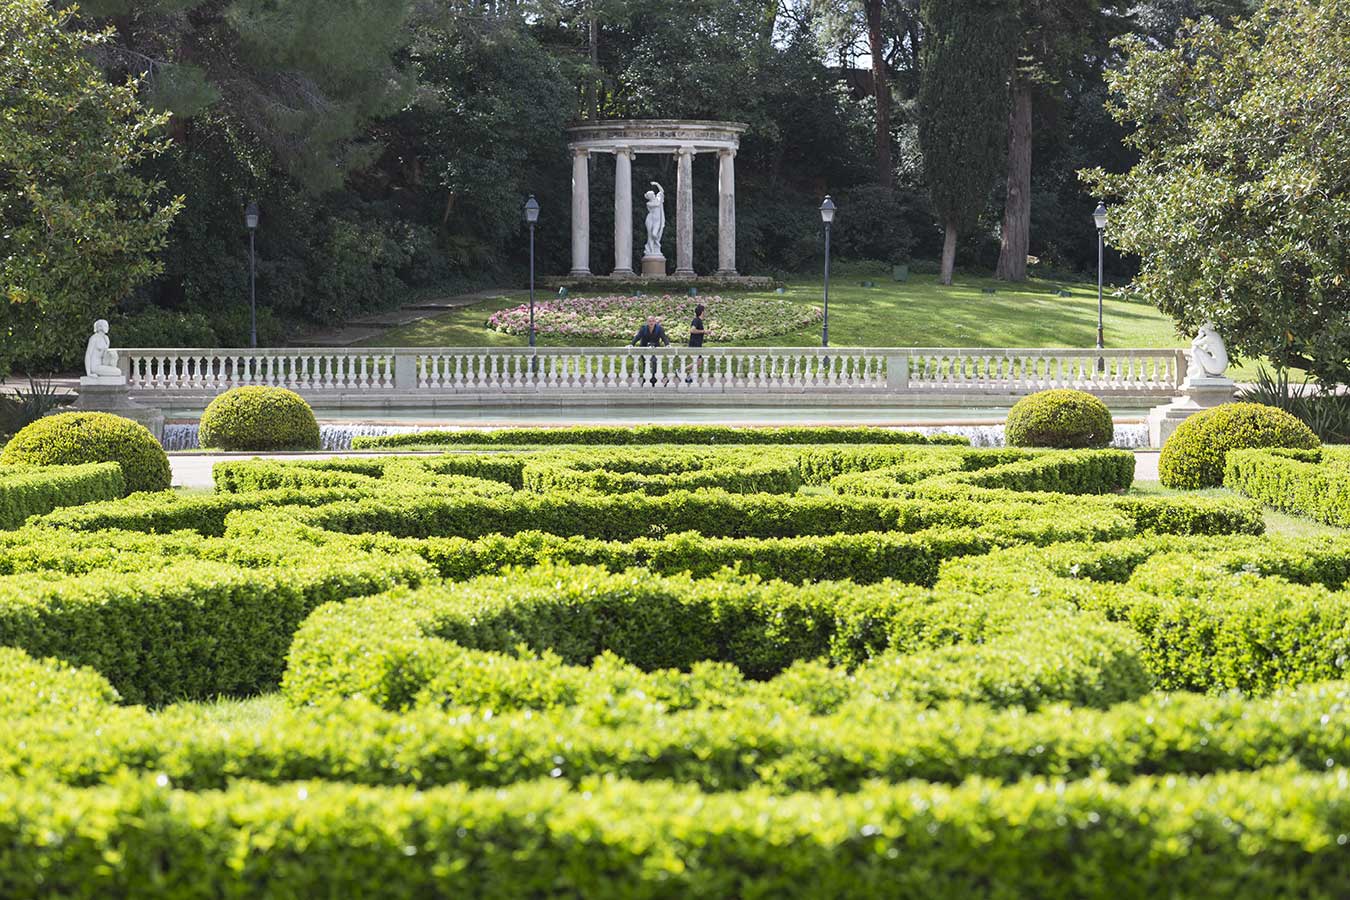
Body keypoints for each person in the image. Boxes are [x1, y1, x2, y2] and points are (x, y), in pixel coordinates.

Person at [632, 315, 669, 385]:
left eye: (653, 321)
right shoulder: (643, 328)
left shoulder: (659, 328)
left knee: (654, 362)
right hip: (644, 348)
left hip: (655, 348)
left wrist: (667, 344)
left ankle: (653, 379)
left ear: (655, 322)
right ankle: (645, 380)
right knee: (645, 364)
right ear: (647, 322)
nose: (651, 322)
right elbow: (637, 337)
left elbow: (664, 337)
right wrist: (632, 344)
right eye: (649, 321)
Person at [686, 304, 707, 384]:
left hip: (697, 345)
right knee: (698, 362)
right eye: (705, 311)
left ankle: (688, 376)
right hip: (694, 344)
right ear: (702, 312)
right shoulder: (696, 320)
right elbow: (692, 330)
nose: (705, 313)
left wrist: (705, 332)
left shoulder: (699, 321)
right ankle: (682, 371)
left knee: (698, 362)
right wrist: (704, 331)